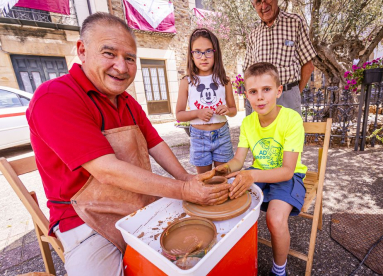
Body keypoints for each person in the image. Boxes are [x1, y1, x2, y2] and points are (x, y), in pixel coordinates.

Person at [26, 13, 231, 275]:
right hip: (85, 222)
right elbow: (106, 170)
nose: (121, 68)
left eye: (130, 58)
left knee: (206, 248)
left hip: (139, 204)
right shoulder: (55, 96)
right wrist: (182, 190)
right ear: (82, 50)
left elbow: (155, 144)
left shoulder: (127, 102)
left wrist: (187, 179)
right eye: (109, 53)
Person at [216, 62, 307, 276]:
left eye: (266, 89)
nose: (260, 97)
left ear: (279, 90)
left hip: (288, 175)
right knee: (227, 201)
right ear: (246, 95)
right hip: (258, 172)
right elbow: (239, 160)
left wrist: (251, 174)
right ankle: (237, 258)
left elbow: (286, 171)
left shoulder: (292, 119)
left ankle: (279, 270)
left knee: (274, 219)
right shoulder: (248, 123)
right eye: (253, 92)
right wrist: (225, 168)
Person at [176, 28, 237, 174]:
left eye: (208, 51)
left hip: (222, 135)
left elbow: (233, 110)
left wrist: (227, 111)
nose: (203, 57)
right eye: (197, 51)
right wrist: (197, 113)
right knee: (205, 180)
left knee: (224, 177)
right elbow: (179, 115)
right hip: (198, 138)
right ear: (191, 55)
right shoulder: (187, 82)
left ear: (216, 53)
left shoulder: (224, 81)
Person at [243, 0, 317, 115]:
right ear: (254, 5)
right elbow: (248, 73)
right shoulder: (253, 34)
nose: (264, 5)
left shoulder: (294, 22)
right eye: (258, 2)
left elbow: (308, 66)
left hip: (288, 97)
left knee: (291, 132)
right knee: (260, 133)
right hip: (261, 101)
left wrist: (294, 93)